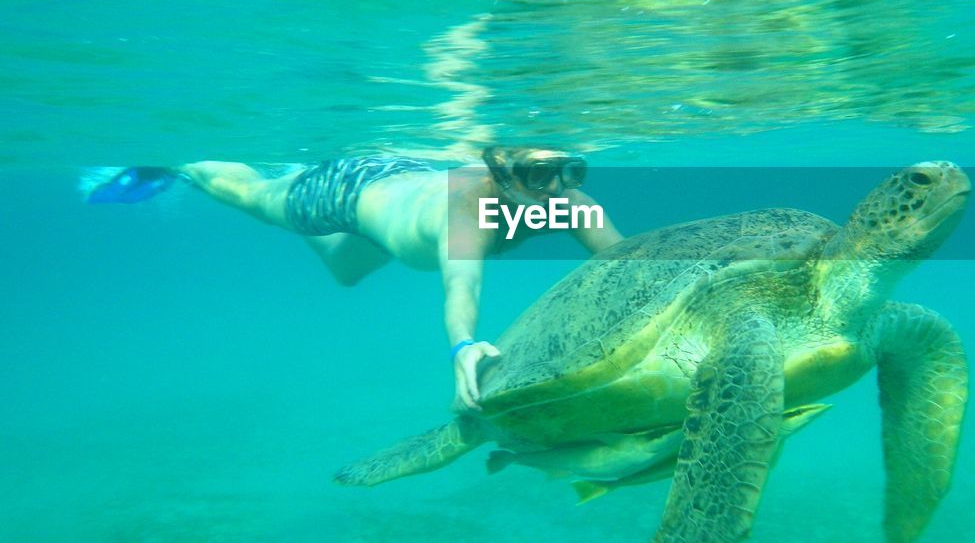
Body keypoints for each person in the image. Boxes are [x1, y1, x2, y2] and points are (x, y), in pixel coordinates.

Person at [89, 146, 623, 410]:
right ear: (501, 181)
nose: (557, 188)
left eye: (568, 172)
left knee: (347, 272)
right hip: (343, 193)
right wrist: (463, 343)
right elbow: (463, 287)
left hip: (398, 188)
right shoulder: (466, 214)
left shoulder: (568, 201)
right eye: (538, 177)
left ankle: (342, 230)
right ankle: (183, 169)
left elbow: (624, 259)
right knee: (256, 198)